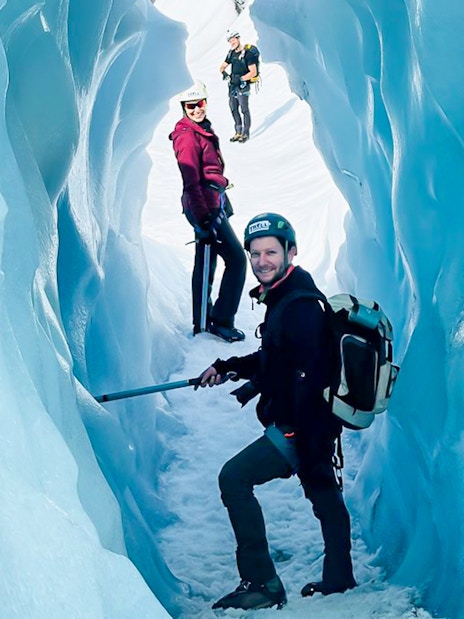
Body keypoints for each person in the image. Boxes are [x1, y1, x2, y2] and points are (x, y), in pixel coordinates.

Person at [197, 213, 357, 610]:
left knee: (234, 478)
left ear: (291, 252)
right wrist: (231, 367)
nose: (261, 261)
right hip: (308, 425)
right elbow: (278, 359)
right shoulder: (289, 296)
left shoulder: (299, 306)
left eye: (271, 251)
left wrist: (305, 439)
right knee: (324, 494)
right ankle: (340, 576)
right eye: (254, 254)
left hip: (300, 426)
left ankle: (263, 584)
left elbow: (308, 374)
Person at [169, 80, 247, 342]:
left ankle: (204, 321)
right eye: (191, 106)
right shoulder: (187, 136)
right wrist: (205, 219)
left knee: (207, 260)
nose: (197, 109)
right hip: (204, 207)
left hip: (212, 203)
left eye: (200, 103)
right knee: (235, 259)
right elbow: (191, 181)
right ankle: (217, 322)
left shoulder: (200, 128)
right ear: (184, 107)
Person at [219, 29, 259, 143]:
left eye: (233, 40)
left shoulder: (248, 54)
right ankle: (238, 132)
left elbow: (253, 72)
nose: (232, 42)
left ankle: (245, 133)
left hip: (243, 85)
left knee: (244, 109)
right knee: (233, 108)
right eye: (230, 41)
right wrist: (224, 73)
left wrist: (241, 79)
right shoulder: (231, 53)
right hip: (232, 85)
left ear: (238, 38)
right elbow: (222, 67)